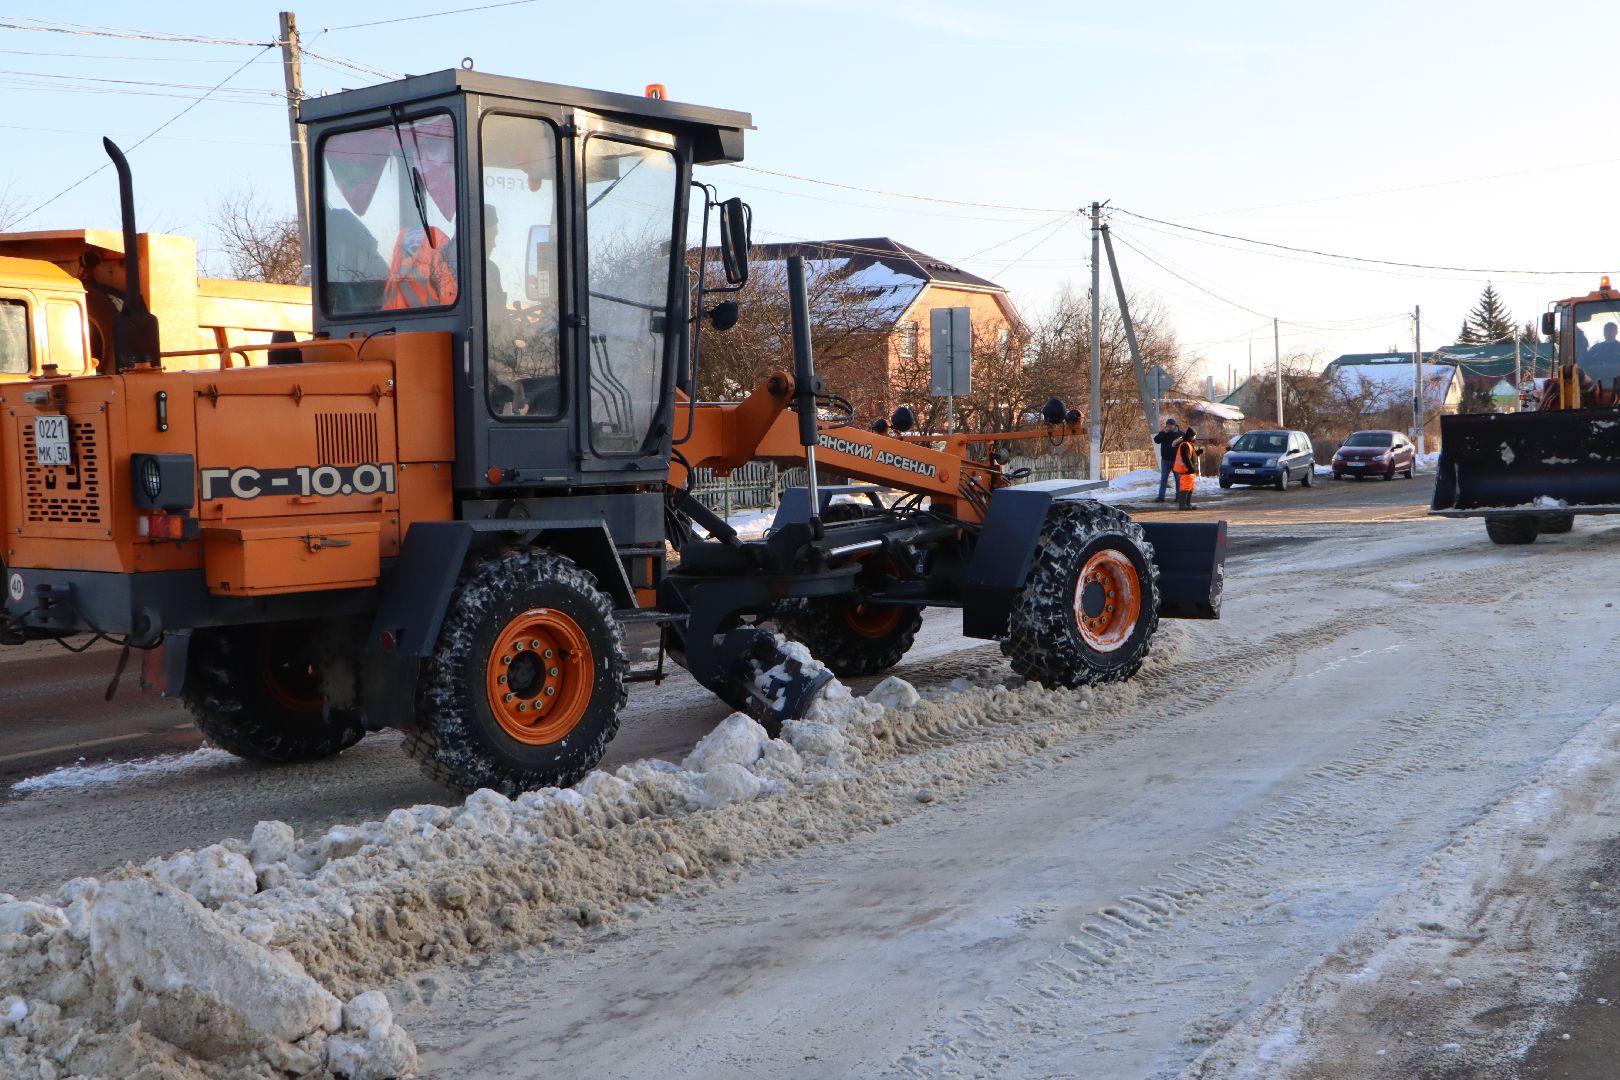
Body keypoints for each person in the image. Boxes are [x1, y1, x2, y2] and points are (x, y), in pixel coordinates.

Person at [1152, 417, 1182, 502]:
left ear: (1174, 425)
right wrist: (1163, 433)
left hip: (1177, 460)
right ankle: (1161, 497)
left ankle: (1179, 496)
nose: (1169, 426)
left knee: (1178, 479)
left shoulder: (1180, 434)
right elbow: (1156, 440)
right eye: (1168, 425)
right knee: (1164, 478)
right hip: (1165, 460)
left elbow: (1186, 443)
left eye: (1171, 425)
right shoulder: (1164, 433)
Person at [1172, 426, 1200, 510]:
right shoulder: (1185, 445)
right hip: (1186, 471)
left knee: (1190, 487)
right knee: (1185, 488)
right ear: (1191, 436)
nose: (1195, 437)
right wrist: (1191, 468)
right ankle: (1182, 505)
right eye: (1194, 436)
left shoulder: (1188, 444)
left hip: (1190, 472)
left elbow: (1190, 456)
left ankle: (1187, 504)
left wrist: (1197, 453)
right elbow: (1186, 458)